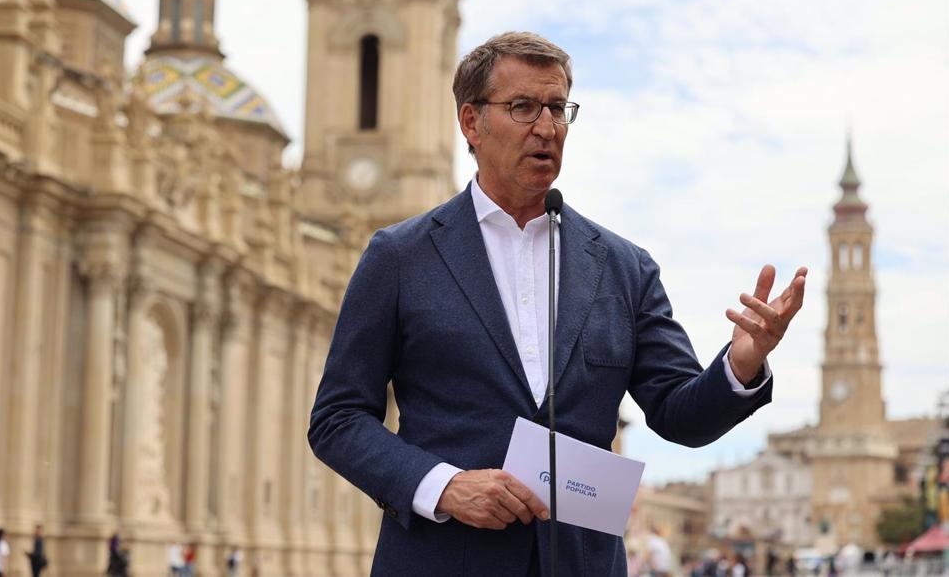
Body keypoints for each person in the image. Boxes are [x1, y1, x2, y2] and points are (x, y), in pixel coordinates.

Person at [309, 31, 808, 576]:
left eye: (557, 108)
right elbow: (337, 418)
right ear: (471, 122)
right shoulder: (400, 257)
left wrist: (742, 362)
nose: (546, 128)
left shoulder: (624, 268)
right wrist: (444, 486)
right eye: (523, 107)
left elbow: (679, 415)